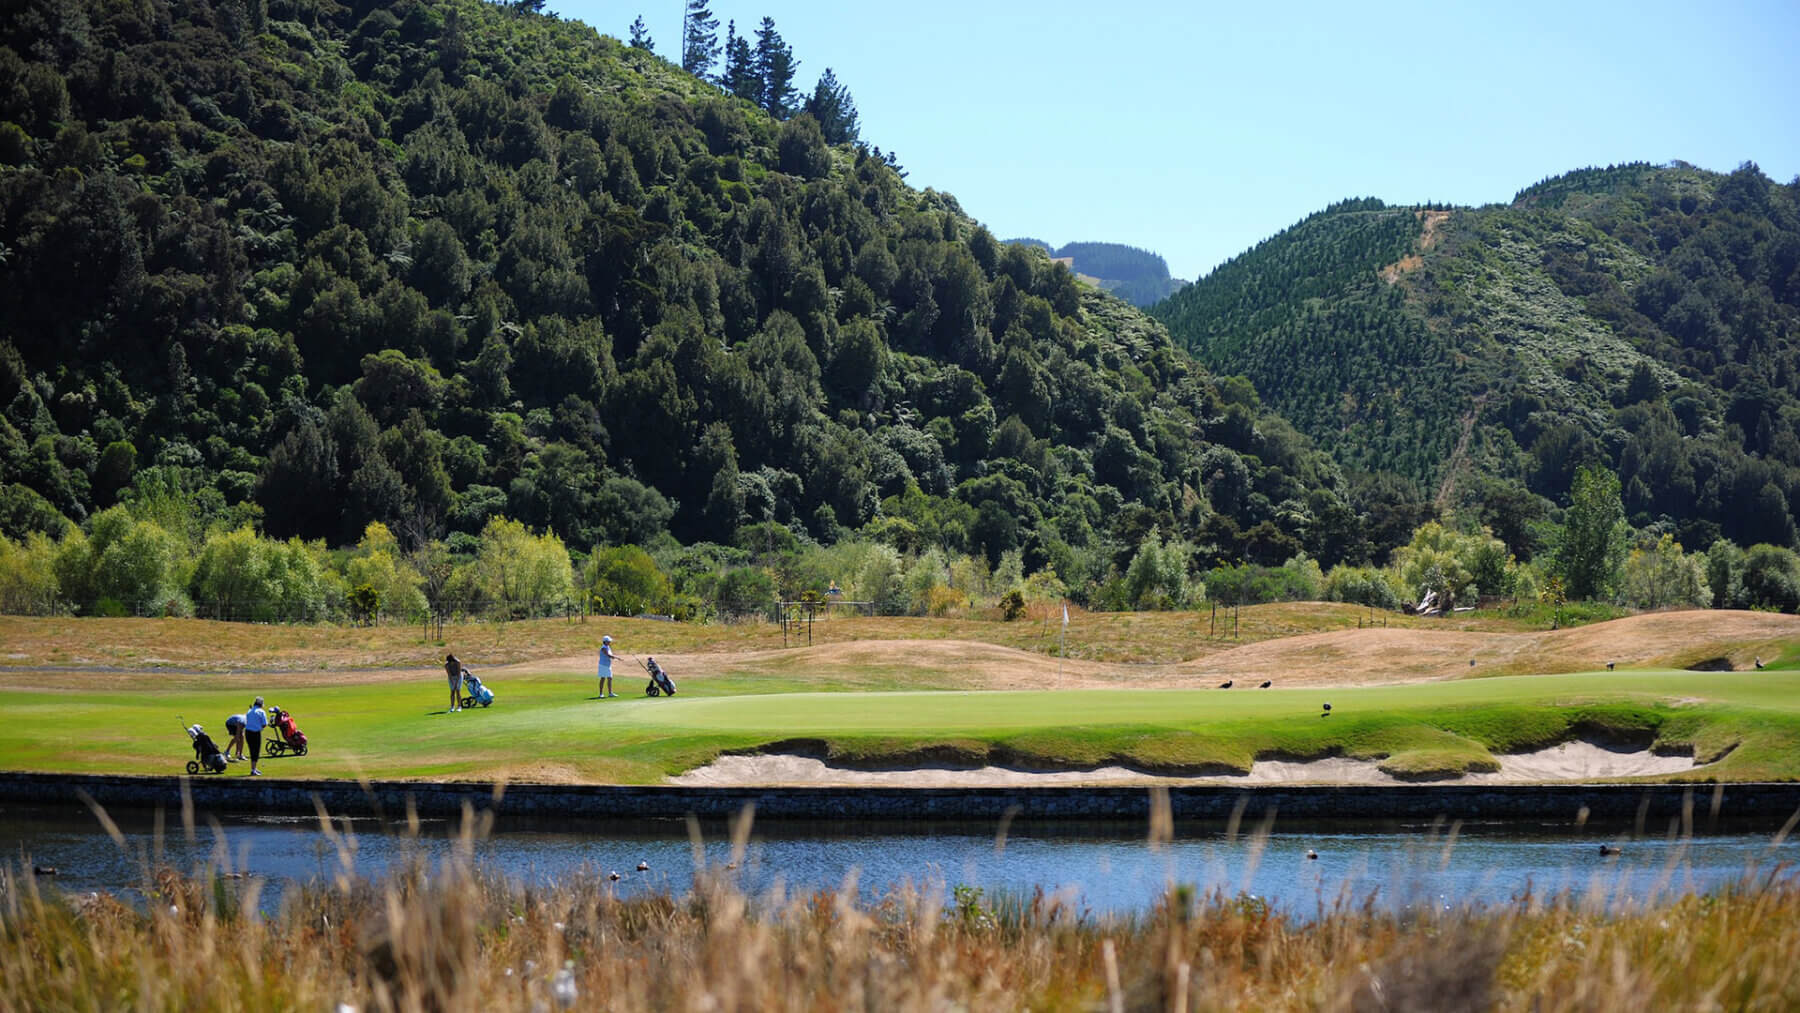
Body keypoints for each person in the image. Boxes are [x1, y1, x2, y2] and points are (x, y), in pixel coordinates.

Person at [243, 696, 268, 775]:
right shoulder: (261, 711)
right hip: (255, 733)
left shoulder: (249, 711)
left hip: (247, 732)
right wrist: (260, 727)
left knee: (252, 750)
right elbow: (264, 724)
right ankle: (253, 770)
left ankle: (254, 768)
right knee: (256, 751)